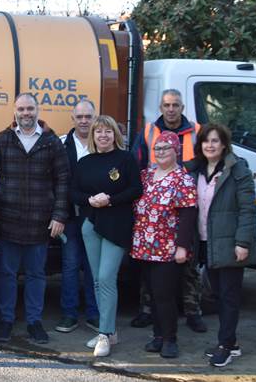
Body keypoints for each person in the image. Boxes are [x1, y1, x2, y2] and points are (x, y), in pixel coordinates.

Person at [0, 93, 70, 344]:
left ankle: (34, 322)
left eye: (30, 108)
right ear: (15, 111)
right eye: (21, 109)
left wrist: (59, 215)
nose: (26, 113)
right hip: (8, 220)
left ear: (37, 111)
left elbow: (63, 180)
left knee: (36, 275)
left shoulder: (52, 142)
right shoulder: (3, 139)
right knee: (6, 274)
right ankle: (6, 321)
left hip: (40, 222)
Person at [131, 89, 206, 333]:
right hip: (156, 213)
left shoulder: (197, 131)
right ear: (161, 108)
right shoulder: (149, 131)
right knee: (150, 268)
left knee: (188, 262)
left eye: (175, 105)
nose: (171, 109)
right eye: (166, 105)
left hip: (187, 205)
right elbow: (137, 162)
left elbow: (209, 161)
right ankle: (147, 311)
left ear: (182, 107)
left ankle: (192, 311)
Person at [186, 123, 256, 367]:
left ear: (224, 144)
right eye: (206, 141)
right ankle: (232, 343)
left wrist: (242, 242)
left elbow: (248, 210)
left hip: (230, 244)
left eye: (215, 141)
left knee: (228, 297)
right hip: (206, 242)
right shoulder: (195, 169)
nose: (210, 145)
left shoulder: (238, 170)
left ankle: (225, 345)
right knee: (216, 294)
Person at [71, 115, 142, 357]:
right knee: (97, 280)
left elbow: (136, 189)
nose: (103, 135)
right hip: (91, 224)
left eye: (108, 131)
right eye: (98, 132)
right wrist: (89, 200)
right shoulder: (85, 162)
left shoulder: (126, 159)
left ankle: (104, 333)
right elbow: (74, 191)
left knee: (106, 277)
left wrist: (110, 200)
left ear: (115, 135)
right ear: (93, 136)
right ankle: (109, 333)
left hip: (117, 225)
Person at [131, 131, 198, 359]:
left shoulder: (182, 178)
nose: (160, 152)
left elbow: (189, 216)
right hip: (145, 246)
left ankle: (170, 339)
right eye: (157, 148)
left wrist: (182, 246)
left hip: (167, 248)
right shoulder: (147, 176)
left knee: (164, 295)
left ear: (176, 151)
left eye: (165, 148)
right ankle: (158, 336)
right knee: (151, 292)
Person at [55, 99, 100, 334]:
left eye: (88, 116)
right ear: (72, 119)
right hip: (70, 217)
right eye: (79, 116)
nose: (84, 120)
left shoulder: (102, 143)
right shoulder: (61, 144)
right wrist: (58, 215)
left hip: (96, 217)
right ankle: (69, 315)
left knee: (95, 267)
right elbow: (54, 181)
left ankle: (94, 314)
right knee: (70, 265)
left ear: (95, 118)